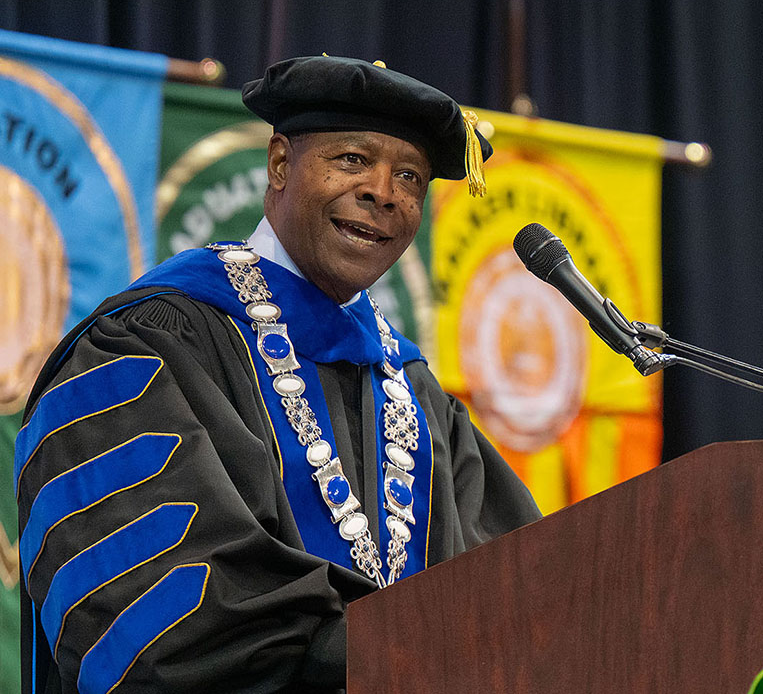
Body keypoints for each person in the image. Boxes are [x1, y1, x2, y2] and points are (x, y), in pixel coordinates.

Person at [14, 56, 542, 693]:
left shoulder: (422, 401)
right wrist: (374, 650)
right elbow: (158, 621)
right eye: (353, 159)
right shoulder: (147, 343)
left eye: (410, 176)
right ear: (280, 164)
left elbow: (516, 599)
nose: (384, 190)